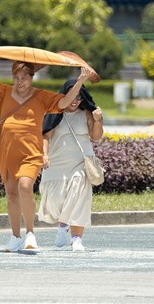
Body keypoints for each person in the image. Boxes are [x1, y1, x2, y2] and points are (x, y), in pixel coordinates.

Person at [0, 49, 92, 252]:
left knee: (25, 187)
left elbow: (62, 103)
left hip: (31, 153)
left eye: (24, 78)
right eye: (16, 78)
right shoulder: (3, 92)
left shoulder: (40, 96)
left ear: (31, 78)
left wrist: (80, 81)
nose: (20, 82)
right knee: (11, 194)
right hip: (7, 152)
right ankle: (15, 236)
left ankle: (30, 233)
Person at [38, 79, 103, 252]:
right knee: (56, 201)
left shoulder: (86, 114)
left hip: (81, 162)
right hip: (57, 163)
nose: (75, 101)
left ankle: (76, 239)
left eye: (79, 98)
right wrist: (44, 154)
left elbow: (95, 137)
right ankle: (63, 225)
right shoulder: (54, 112)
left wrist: (97, 120)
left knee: (79, 196)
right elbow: (45, 136)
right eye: (72, 96)